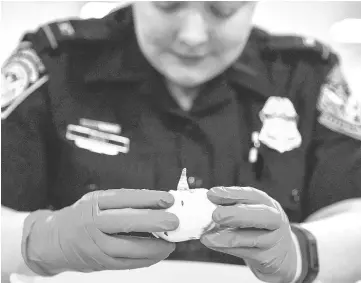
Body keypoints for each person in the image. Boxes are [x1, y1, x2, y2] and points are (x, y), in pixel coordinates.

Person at [2, 2, 361, 283]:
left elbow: (352, 218)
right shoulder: (55, 62)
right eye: (168, 4)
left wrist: (301, 250)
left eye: (223, 8)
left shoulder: (306, 76)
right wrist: (41, 239)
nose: (192, 35)